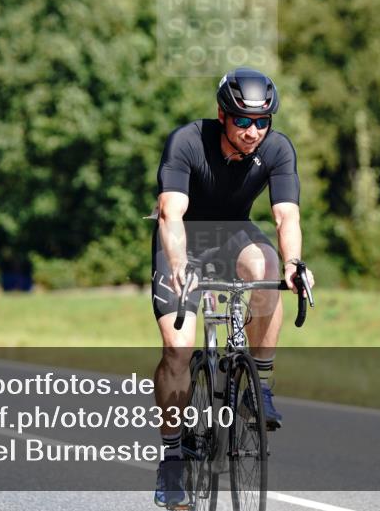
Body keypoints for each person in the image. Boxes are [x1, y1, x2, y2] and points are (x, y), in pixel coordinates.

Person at [150, 67, 315, 508]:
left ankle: (257, 386)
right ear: (223, 115)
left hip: (234, 234)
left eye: (262, 121)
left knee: (269, 269)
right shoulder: (187, 142)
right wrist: (181, 266)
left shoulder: (277, 149)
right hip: (182, 239)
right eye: (243, 120)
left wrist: (296, 264)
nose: (253, 131)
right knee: (177, 351)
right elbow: (170, 213)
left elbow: (286, 216)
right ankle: (172, 459)